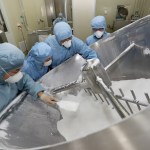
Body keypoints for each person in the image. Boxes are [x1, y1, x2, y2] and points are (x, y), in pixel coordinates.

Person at [0, 43, 57, 112]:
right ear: (1, 70)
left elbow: (25, 80)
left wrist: (41, 95)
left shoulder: (8, 77)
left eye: (20, 69)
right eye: (16, 71)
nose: (19, 74)